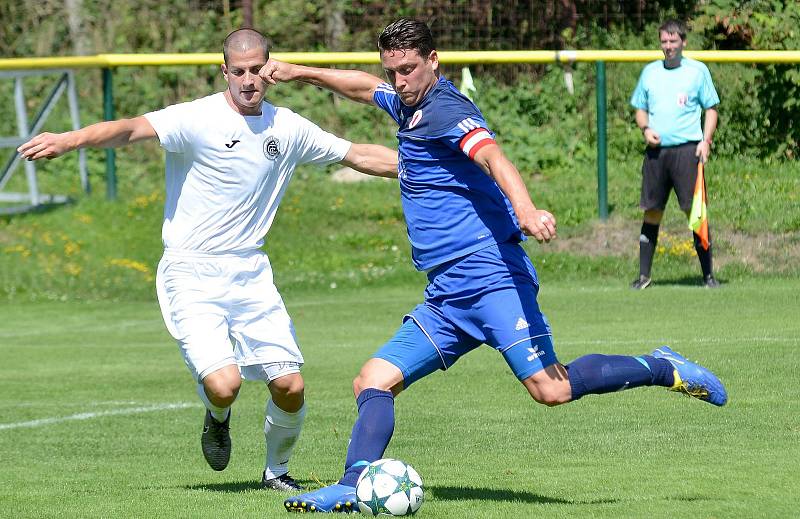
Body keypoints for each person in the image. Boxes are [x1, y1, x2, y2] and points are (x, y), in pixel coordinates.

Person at [260, 18, 728, 513]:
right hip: (446, 293)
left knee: (551, 389)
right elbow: (365, 88)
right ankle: (353, 485)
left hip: (491, 275)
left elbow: (494, 158)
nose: (399, 81)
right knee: (371, 380)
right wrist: (297, 71)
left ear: (433, 62)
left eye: (408, 70)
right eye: (393, 70)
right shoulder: (407, 103)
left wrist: (525, 210)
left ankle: (661, 367)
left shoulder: (446, 109)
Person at [17, 28, 397, 492]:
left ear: (270, 69)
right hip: (191, 270)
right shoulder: (197, 119)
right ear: (225, 72)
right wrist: (72, 140)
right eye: (238, 71)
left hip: (250, 271)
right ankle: (217, 417)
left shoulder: (287, 128)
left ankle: (276, 473)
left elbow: (357, 154)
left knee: (291, 387)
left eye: (257, 69)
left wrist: (427, 163)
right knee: (225, 385)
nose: (249, 80)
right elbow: (131, 129)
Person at [630, 19, 720, 290]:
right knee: (652, 212)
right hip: (657, 154)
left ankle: (708, 276)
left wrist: (706, 141)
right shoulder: (650, 72)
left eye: (673, 41)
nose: (668, 46)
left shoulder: (697, 71)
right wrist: (645, 129)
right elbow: (640, 108)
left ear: (683, 42)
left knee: (695, 213)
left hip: (687, 151)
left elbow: (711, 108)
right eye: (664, 42)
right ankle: (644, 277)